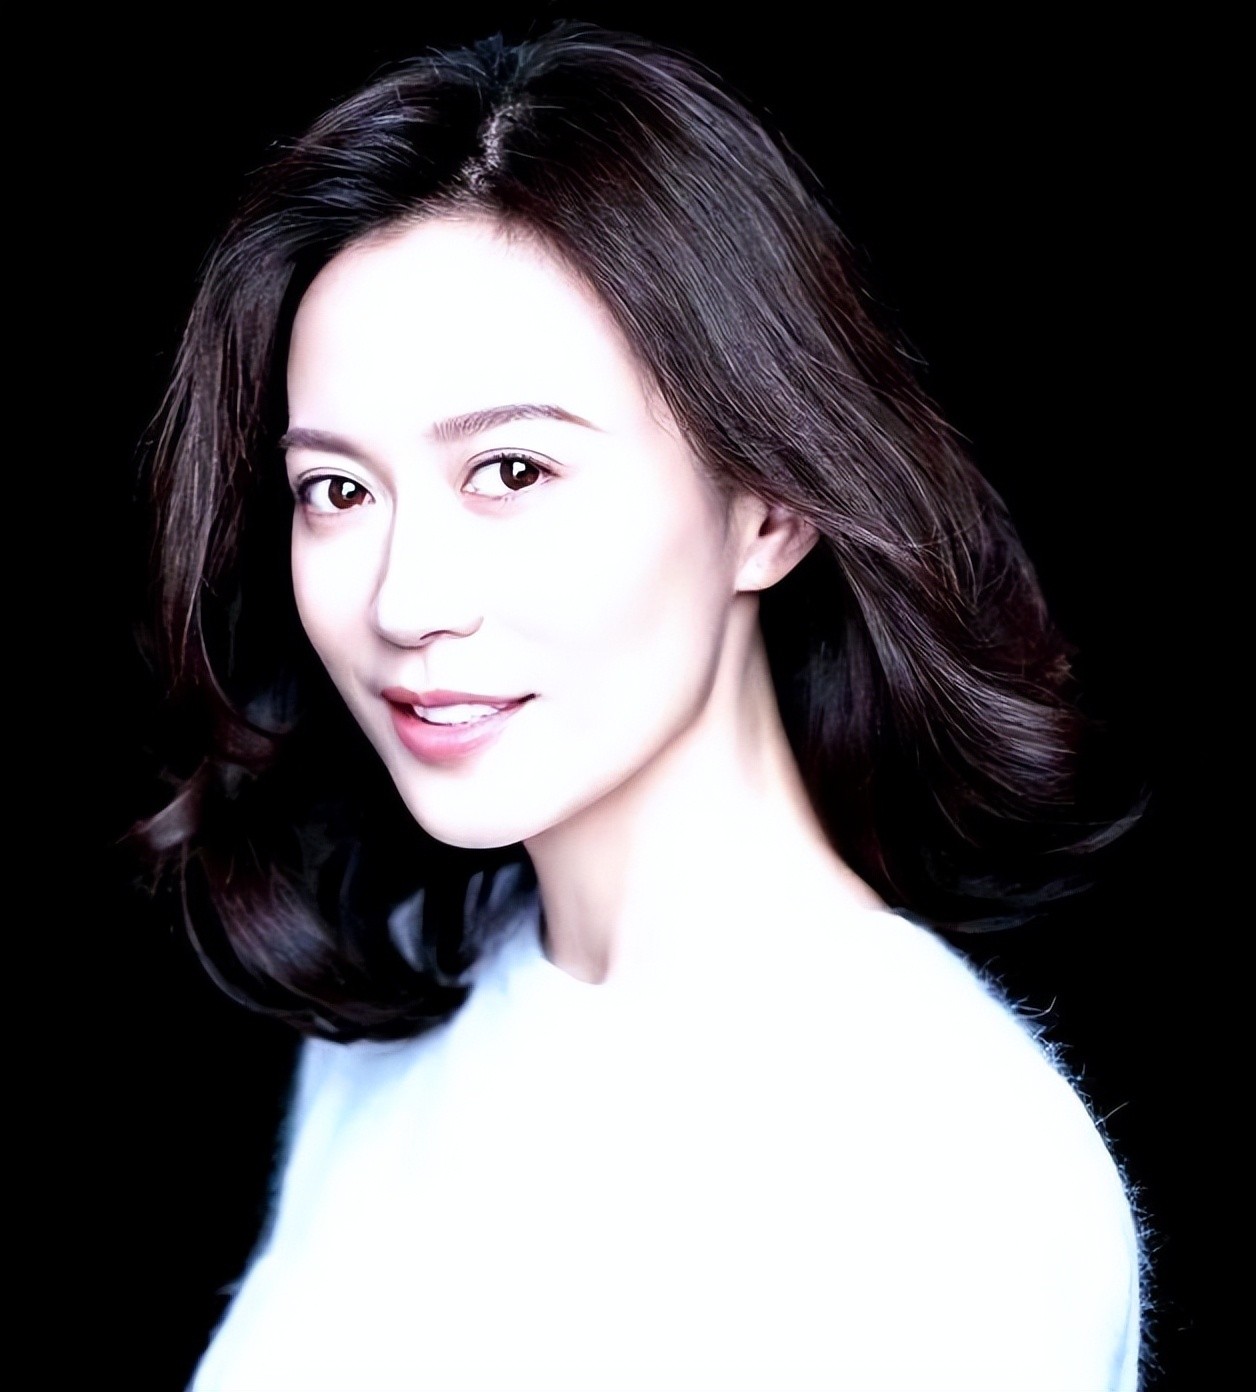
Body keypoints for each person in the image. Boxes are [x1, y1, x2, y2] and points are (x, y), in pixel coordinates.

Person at [137, 23, 1146, 1391]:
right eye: (338, 490)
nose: (406, 599)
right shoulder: (403, 1017)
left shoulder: (936, 1169)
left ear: (769, 506)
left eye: (512, 472)